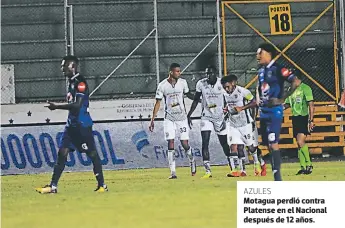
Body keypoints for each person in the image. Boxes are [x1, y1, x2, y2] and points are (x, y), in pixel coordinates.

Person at [35, 55, 107, 193]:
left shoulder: (80, 83)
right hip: (71, 125)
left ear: (72, 66)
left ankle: (102, 185)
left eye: (64, 66)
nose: (61, 68)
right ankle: (53, 186)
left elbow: (77, 105)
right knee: (62, 152)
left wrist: (56, 107)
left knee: (92, 154)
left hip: (82, 125)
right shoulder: (71, 82)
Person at [256, 43, 299, 181]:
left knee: (273, 141)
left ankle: (277, 178)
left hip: (275, 111)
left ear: (268, 53)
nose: (257, 56)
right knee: (266, 144)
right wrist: (258, 99)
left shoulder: (279, 68)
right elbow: (260, 88)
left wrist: (281, 100)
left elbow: (296, 82)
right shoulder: (261, 71)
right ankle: (275, 172)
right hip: (263, 111)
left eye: (260, 53)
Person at [149, 63, 196, 179]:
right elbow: (158, 102)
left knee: (184, 143)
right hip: (169, 118)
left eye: (179, 71)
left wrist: (199, 99)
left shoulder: (183, 83)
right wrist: (152, 120)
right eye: (177, 71)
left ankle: (192, 160)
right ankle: (173, 172)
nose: (179, 73)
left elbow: (188, 94)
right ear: (171, 72)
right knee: (170, 142)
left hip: (182, 118)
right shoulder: (162, 85)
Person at [187, 65, 231, 178]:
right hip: (206, 116)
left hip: (220, 117)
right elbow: (196, 99)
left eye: (210, 73)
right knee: (205, 142)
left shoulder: (222, 83)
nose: (208, 76)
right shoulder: (201, 84)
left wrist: (227, 112)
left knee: (224, 143)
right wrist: (189, 114)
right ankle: (207, 171)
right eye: (206, 73)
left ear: (215, 73)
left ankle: (233, 166)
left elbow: (228, 99)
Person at [222, 75, 264, 177]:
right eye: (224, 87)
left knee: (251, 147)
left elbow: (255, 102)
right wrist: (226, 110)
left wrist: (243, 108)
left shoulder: (243, 92)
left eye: (227, 87)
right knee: (233, 146)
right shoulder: (224, 94)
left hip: (245, 124)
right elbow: (228, 105)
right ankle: (237, 169)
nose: (226, 89)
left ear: (233, 83)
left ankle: (256, 163)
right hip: (233, 124)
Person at [284, 75, 314, 175]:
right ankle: (303, 167)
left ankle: (309, 164)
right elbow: (287, 103)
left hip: (303, 117)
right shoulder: (290, 89)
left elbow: (311, 104)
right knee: (298, 143)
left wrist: (311, 120)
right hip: (295, 118)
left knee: (300, 141)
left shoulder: (306, 88)